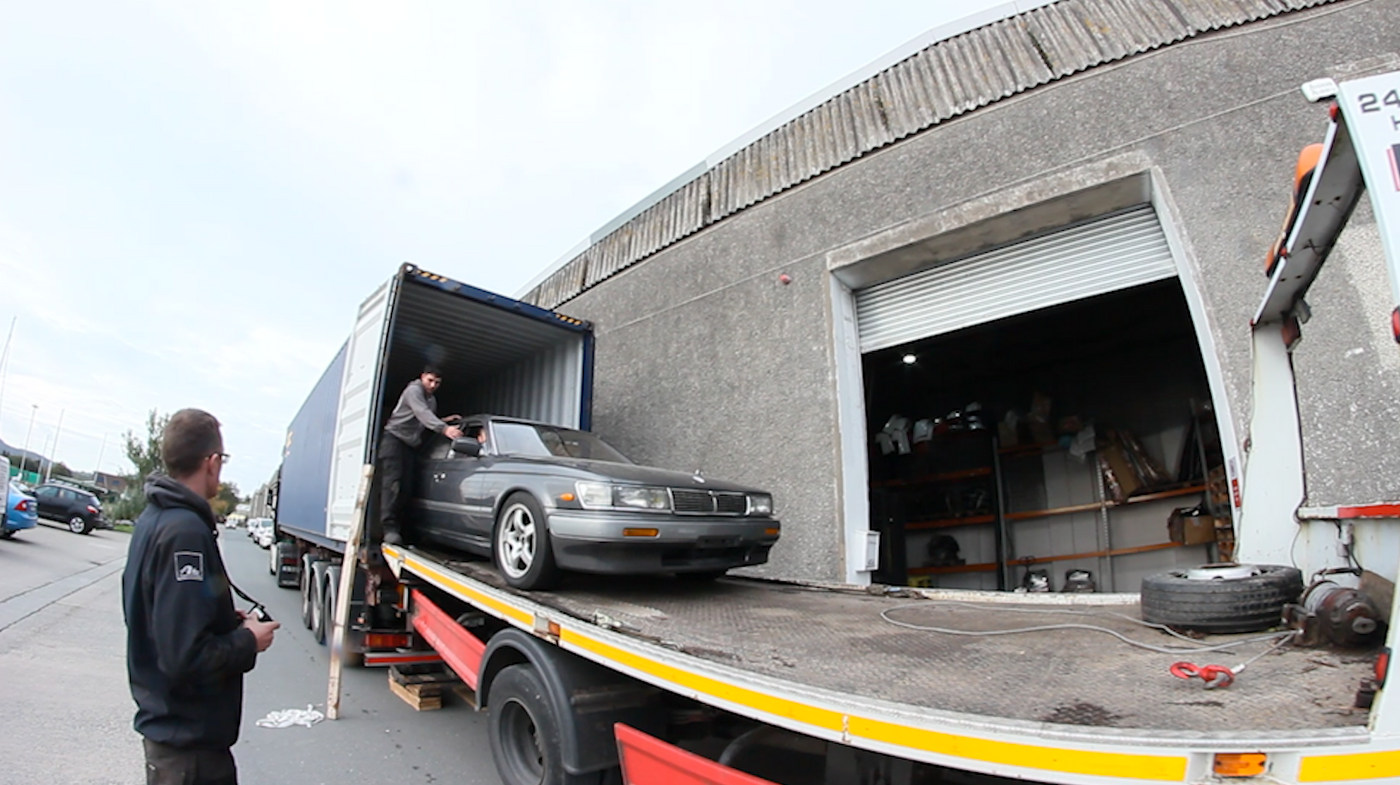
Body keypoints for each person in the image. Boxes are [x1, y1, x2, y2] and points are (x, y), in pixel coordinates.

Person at [123, 408, 279, 785]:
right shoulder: (185, 533)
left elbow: (159, 617)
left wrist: (224, 621)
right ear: (211, 462)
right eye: (222, 460)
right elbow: (184, 656)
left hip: (175, 740)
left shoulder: (155, 519)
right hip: (189, 751)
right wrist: (248, 641)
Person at [379, 365, 463, 545]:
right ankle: (389, 529)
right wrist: (445, 429)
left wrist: (443, 421)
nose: (432, 385)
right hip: (394, 440)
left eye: (437, 383)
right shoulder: (414, 390)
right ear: (422, 377)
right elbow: (421, 413)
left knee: (406, 487)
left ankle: (403, 530)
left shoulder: (431, 400)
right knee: (393, 485)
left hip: (410, 445)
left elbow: (424, 420)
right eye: (430, 380)